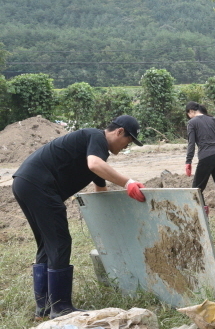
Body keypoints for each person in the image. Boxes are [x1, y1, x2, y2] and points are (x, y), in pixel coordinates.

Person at [12, 115, 147, 320]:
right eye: (128, 141)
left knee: (47, 245)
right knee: (60, 242)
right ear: (120, 132)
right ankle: (61, 308)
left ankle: (45, 308)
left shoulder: (93, 148)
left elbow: (100, 188)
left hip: (24, 183)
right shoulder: (96, 137)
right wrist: (128, 183)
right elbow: (94, 164)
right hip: (40, 186)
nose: (126, 146)